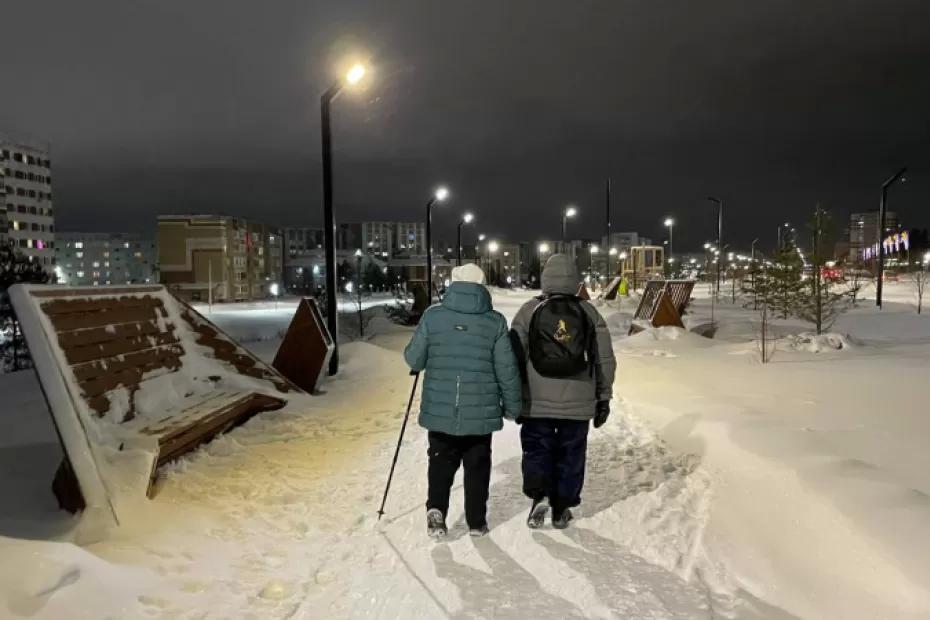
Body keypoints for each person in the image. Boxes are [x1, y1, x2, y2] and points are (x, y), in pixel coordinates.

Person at [404, 263, 522, 539]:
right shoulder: (494, 322)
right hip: (480, 413)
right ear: (482, 287)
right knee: (477, 466)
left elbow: (414, 359)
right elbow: (507, 369)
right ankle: (476, 521)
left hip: (440, 410)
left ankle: (436, 509)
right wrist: (513, 406)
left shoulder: (433, 318)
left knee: (440, 461)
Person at [509, 253, 616, 529]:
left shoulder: (529, 310)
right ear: (574, 278)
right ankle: (562, 508)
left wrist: (514, 397)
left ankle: (540, 494)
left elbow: (514, 356)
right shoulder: (588, 312)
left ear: (546, 277)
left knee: (537, 449)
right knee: (572, 453)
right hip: (578, 401)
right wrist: (603, 398)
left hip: (537, 400)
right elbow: (604, 359)